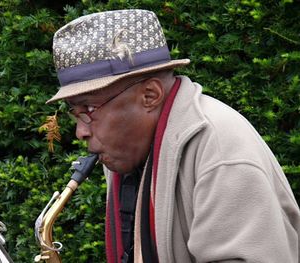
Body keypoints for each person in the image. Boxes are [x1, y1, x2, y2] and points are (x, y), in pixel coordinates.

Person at [47, 9, 300, 263]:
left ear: (150, 95)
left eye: (89, 109)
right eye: (75, 113)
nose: (80, 131)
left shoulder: (222, 154)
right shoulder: (131, 149)